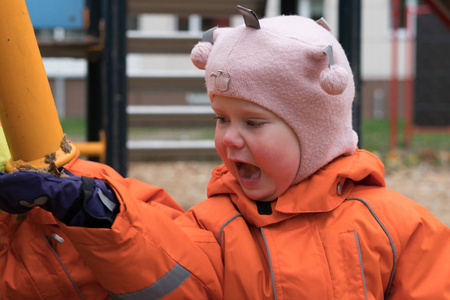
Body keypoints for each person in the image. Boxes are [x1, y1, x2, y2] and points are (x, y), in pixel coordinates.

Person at [1, 6, 449, 299]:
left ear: (315, 131)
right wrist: (95, 208)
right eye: (221, 118)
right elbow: (166, 267)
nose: (229, 139)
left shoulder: (396, 225)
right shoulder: (216, 224)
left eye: (253, 122)